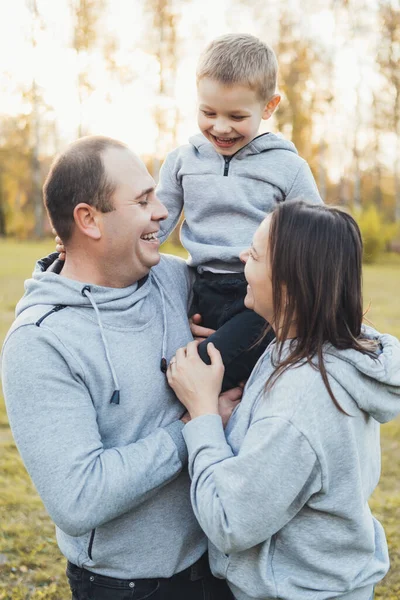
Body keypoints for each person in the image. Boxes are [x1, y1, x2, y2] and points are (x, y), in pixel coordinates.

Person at [1, 136, 239, 600]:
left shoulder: (174, 279)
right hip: (128, 587)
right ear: (88, 219)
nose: (163, 212)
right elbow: (78, 496)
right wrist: (198, 427)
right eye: (143, 200)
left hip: (220, 567)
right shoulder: (42, 341)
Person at [166, 201, 400, 600]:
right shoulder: (319, 345)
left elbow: (230, 522)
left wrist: (203, 414)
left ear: (289, 284)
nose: (242, 257)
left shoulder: (300, 400)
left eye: (254, 254)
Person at [156, 33, 322, 391]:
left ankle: (202, 421)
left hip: (260, 299)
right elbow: (155, 223)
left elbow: (315, 239)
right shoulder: (183, 161)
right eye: (208, 112)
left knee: (198, 371)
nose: (220, 127)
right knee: (182, 366)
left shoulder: (288, 168)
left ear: (269, 106)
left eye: (236, 116)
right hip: (201, 289)